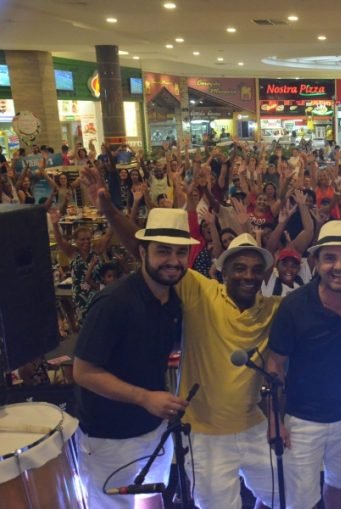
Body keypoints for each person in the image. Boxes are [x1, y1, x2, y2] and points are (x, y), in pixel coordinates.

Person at [81, 166, 283, 509]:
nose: (247, 276)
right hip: (199, 433)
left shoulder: (275, 309)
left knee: (283, 496)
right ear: (222, 271)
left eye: (254, 269)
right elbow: (145, 250)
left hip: (252, 427)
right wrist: (111, 210)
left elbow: (331, 289)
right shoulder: (198, 291)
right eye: (239, 268)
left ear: (265, 274)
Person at [72, 208, 195, 509]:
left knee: (152, 497)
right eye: (163, 251)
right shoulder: (114, 303)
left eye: (181, 253)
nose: (173, 261)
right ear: (142, 252)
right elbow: (83, 371)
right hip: (110, 438)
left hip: (153, 428)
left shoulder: (173, 299)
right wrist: (144, 398)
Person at [266, 221, 341, 509]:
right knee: (299, 500)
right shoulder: (293, 305)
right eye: (329, 257)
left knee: (340, 487)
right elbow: (275, 364)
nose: (338, 266)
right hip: (302, 420)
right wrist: (275, 419)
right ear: (315, 261)